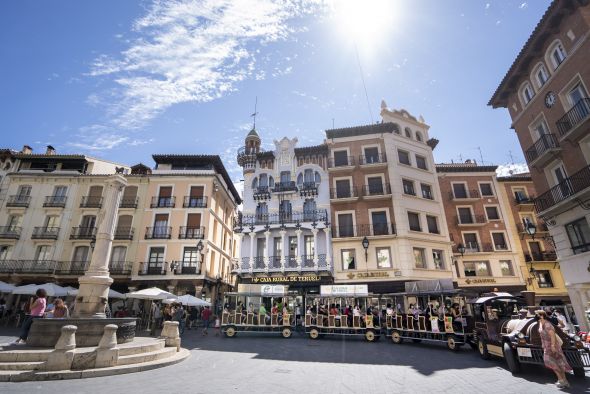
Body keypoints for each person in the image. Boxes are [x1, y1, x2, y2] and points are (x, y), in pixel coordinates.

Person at [536, 310, 572, 389]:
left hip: (553, 346)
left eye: (537, 315)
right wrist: (543, 345)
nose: (536, 316)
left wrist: (552, 346)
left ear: (542, 315)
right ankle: (563, 381)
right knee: (554, 363)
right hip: (546, 346)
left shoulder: (547, 324)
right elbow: (542, 335)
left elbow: (552, 336)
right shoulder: (540, 323)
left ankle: (562, 380)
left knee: (556, 362)